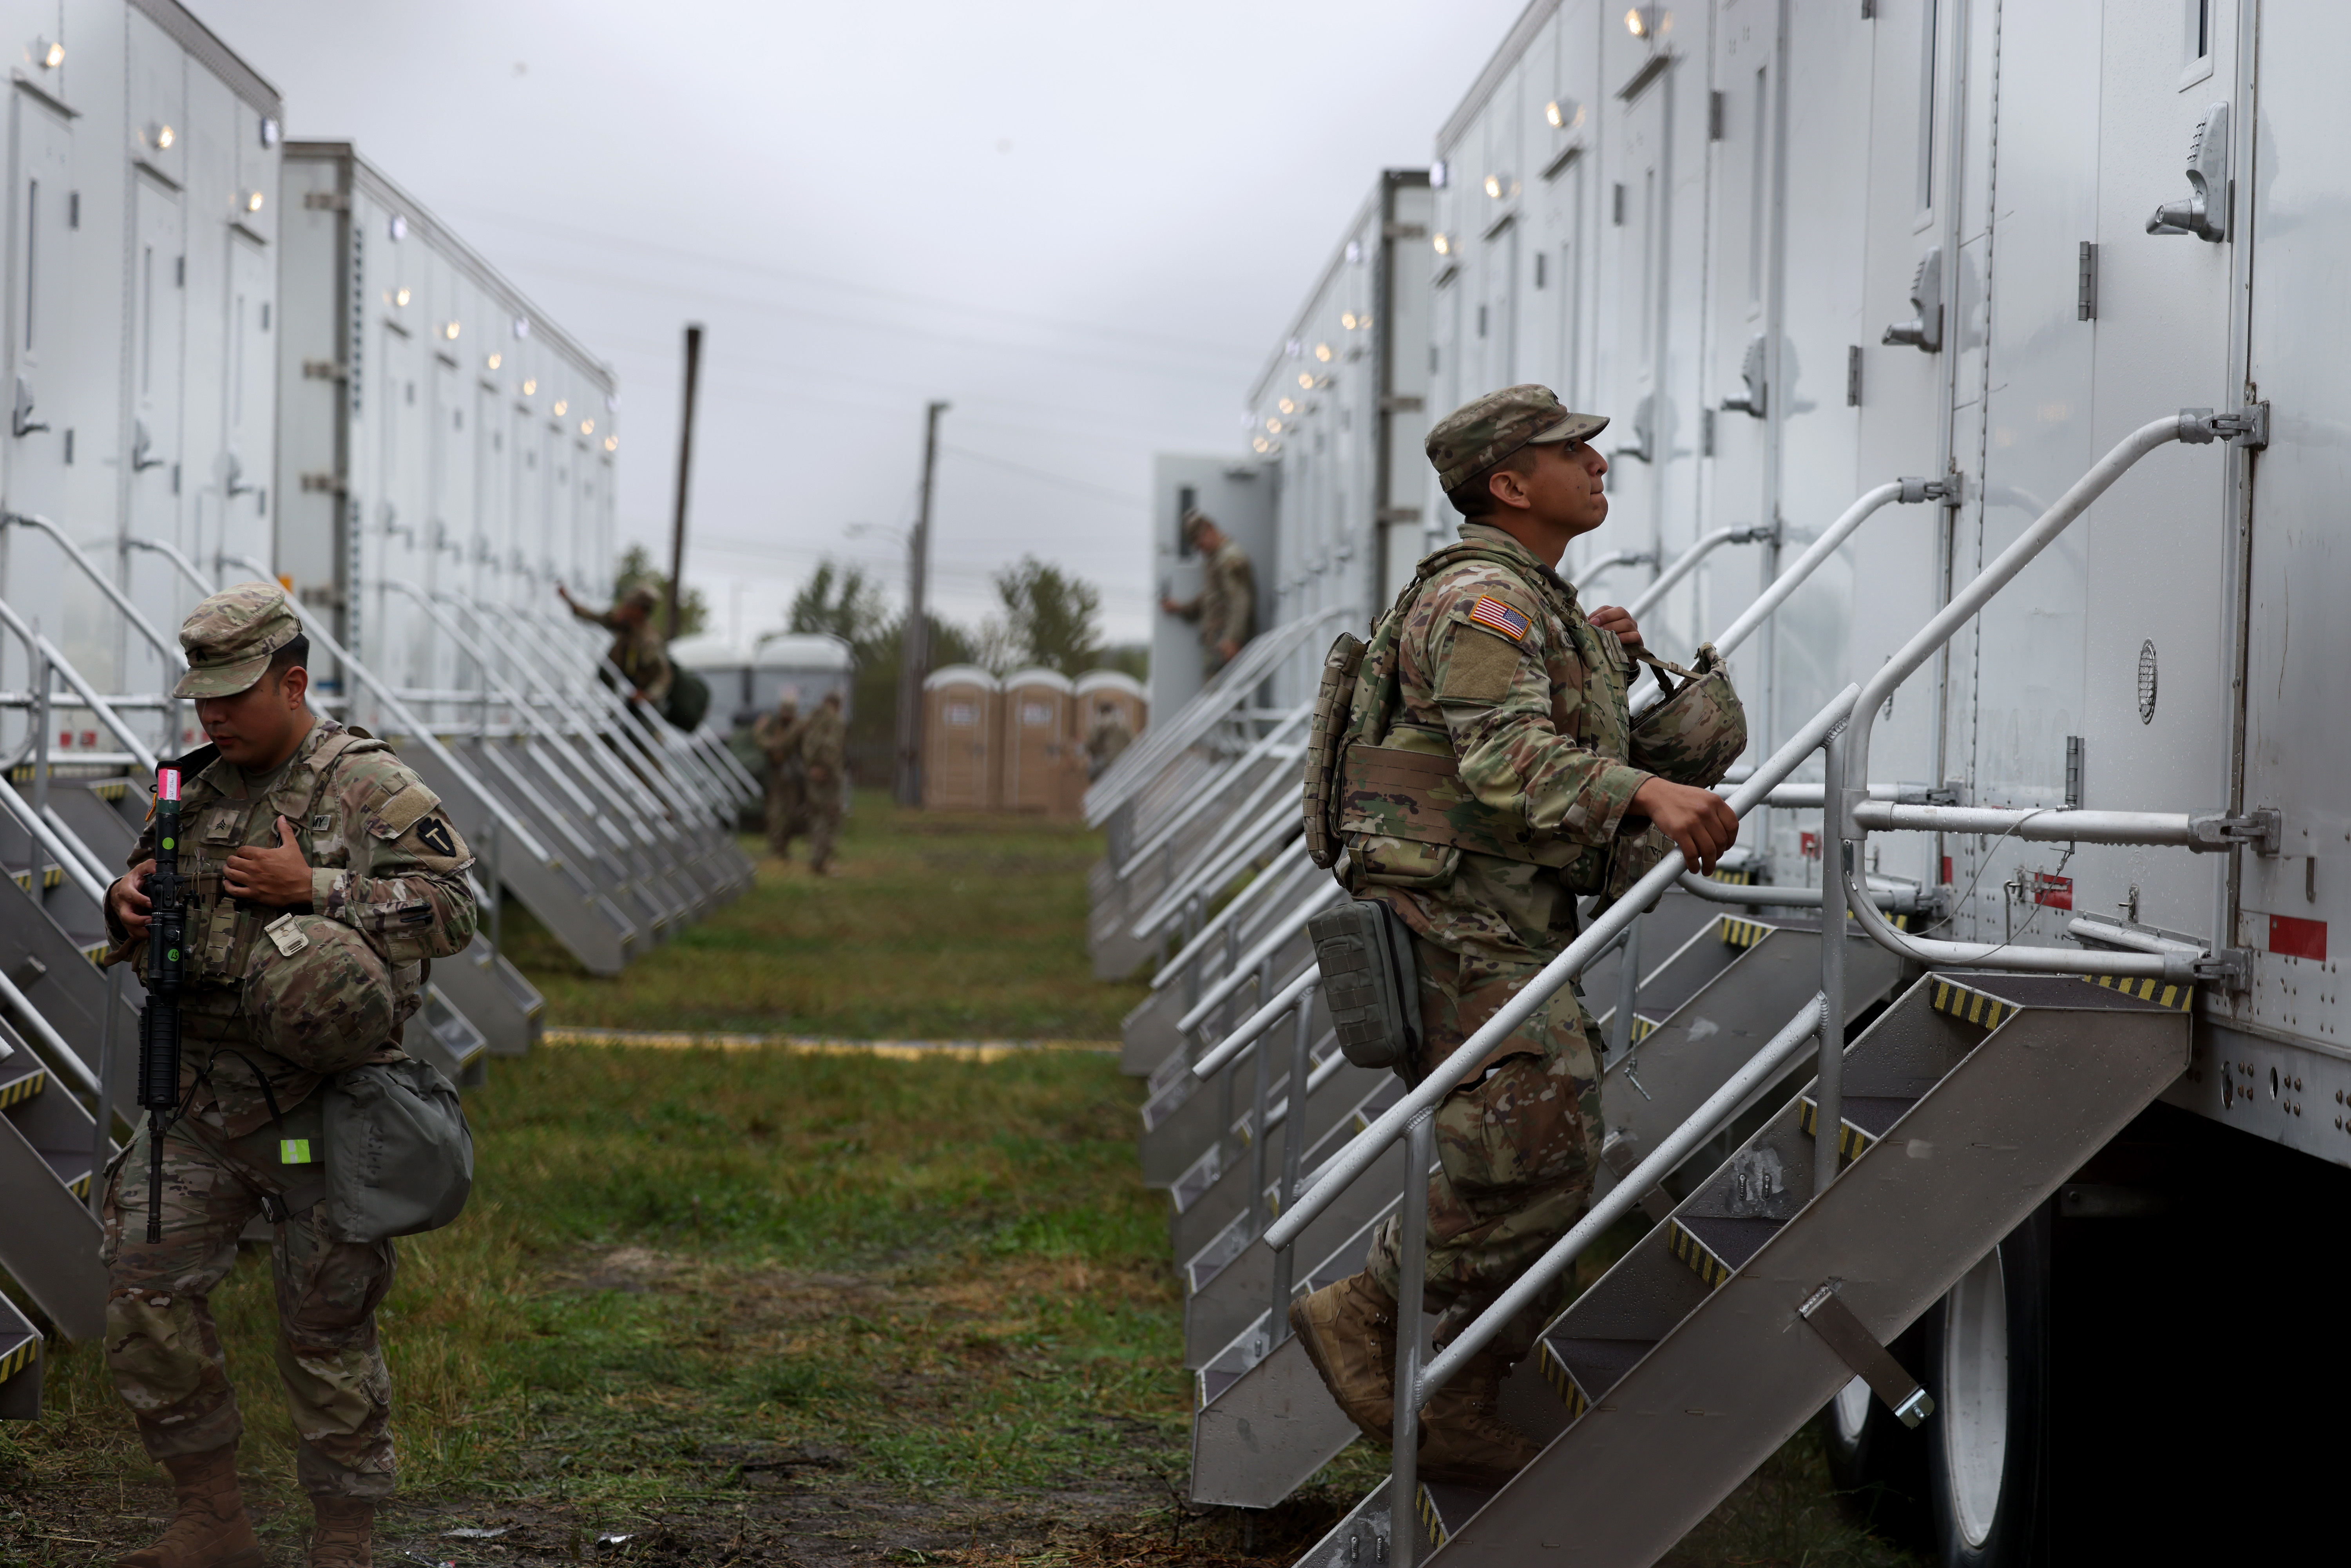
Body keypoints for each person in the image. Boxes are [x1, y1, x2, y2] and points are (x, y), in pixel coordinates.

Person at [1288, 385, 1742, 1487]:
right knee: (1532, 1149)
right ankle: (1362, 1311)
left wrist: (1605, 664)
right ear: (1509, 484)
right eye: (1570, 451)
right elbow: (1501, 765)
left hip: (1503, 915)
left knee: (1549, 1148)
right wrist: (1647, 792)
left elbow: (1510, 731)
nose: (1598, 464)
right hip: (1457, 915)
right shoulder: (1485, 598)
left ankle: (1463, 1398)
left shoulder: (1529, 600)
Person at [98, 583, 481, 1568]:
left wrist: (311, 886)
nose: (213, 714)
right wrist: (124, 898)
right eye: (201, 697)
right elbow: (153, 880)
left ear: (294, 681)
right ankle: (211, 1513)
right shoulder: (197, 784)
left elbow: (457, 911)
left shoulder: (364, 782)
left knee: (325, 1323)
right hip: (199, 1098)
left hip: (324, 1100)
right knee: (145, 1291)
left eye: (233, 693)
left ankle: (342, 1535)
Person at [1159, 511, 1255, 680]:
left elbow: (1240, 599)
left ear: (1210, 530)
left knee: (1224, 699)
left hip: (1226, 645)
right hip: (1218, 643)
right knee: (1216, 698)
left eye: (1199, 540)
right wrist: (1181, 608)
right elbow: (1211, 598)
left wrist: (1233, 639)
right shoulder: (1215, 559)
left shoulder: (1229, 557)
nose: (1200, 548)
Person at [556, 580, 674, 711]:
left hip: (640, 702)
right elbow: (592, 616)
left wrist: (649, 696)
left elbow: (665, 676)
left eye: (630, 605)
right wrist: (568, 600)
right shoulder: (625, 625)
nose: (624, 608)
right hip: (621, 690)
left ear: (640, 611)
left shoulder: (649, 640)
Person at [795, 691, 847, 874]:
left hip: (812, 774)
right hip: (827, 777)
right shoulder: (834, 720)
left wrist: (811, 767)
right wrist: (825, 767)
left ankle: (817, 859)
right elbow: (830, 746)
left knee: (817, 816)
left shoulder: (812, 718)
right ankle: (821, 861)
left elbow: (802, 741)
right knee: (829, 817)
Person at [755, 693, 807, 860]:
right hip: (776, 774)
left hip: (792, 775)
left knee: (791, 814)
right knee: (775, 813)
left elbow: (801, 746)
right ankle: (777, 847)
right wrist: (771, 745)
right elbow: (760, 739)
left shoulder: (799, 726)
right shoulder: (772, 724)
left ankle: (784, 845)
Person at [1085, 699, 1134, 781]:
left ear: (1102, 711)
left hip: (1108, 761)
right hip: (1124, 761)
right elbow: (1132, 742)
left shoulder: (1102, 723)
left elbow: (1091, 743)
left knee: (1092, 774)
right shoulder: (1123, 724)